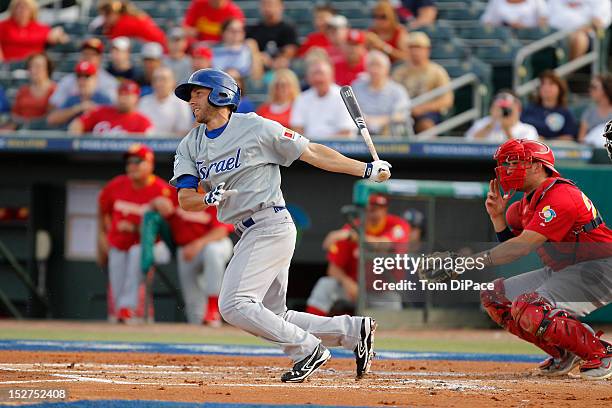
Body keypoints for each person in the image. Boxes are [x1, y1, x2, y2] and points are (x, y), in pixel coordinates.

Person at [171, 68, 391, 382]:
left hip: (270, 223)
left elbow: (311, 151)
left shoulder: (255, 127)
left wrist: (366, 170)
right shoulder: (190, 144)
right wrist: (207, 199)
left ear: (220, 94)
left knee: (233, 305)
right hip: (247, 231)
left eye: (197, 93)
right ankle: (353, 331)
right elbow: (185, 198)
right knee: (274, 316)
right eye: (190, 95)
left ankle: (307, 349)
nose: (191, 100)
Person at [460, 138, 612, 380]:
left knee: (530, 306)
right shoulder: (523, 206)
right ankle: (565, 352)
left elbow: (519, 249)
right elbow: (510, 245)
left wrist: (464, 263)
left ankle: (601, 352)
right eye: (506, 164)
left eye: (515, 163)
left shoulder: (561, 195)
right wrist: (498, 218)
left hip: (601, 269)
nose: (508, 170)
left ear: (537, 165)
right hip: (566, 270)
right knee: (494, 296)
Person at [98, 143, 174, 323]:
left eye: (137, 161)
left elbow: (170, 223)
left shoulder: (161, 189)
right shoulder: (116, 185)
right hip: (119, 242)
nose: (131, 166)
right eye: (129, 162)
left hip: (153, 245)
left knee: (136, 253)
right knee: (116, 282)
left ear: (150, 164)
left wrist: (136, 226)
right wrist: (102, 240)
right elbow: (102, 213)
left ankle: (128, 308)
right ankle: (123, 314)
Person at [306, 194, 410, 317]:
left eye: (377, 208)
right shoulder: (352, 228)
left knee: (393, 309)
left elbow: (383, 245)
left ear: (385, 209)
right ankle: (311, 326)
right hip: (354, 288)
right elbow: (332, 268)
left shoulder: (397, 225)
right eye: (369, 208)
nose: (373, 212)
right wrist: (347, 282)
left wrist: (352, 236)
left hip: (381, 291)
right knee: (326, 284)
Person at [168, 189, 234, 326]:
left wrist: (199, 243)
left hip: (215, 243)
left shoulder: (217, 193)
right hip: (186, 249)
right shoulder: (178, 194)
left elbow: (222, 230)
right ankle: (203, 331)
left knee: (212, 251)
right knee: (194, 307)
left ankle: (213, 308)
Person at [392, 32, 453, 133]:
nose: (415, 51)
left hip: (427, 112)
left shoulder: (437, 71)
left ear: (427, 50)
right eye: (412, 47)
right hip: (402, 110)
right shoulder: (399, 71)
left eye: (419, 47)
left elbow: (447, 100)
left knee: (426, 125)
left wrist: (423, 108)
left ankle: (430, 148)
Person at [290, 58, 355, 140]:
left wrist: (320, 145)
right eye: (314, 74)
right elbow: (297, 130)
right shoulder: (302, 98)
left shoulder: (343, 97)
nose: (318, 78)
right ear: (308, 78)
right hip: (309, 148)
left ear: (331, 75)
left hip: (338, 148)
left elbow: (346, 132)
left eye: (321, 73)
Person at [351, 50, 411, 136]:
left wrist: (379, 121)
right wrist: (366, 121)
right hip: (361, 130)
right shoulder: (357, 86)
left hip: (390, 133)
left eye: (379, 66)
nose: (375, 70)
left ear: (387, 69)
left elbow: (401, 115)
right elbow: (351, 110)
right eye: (371, 65)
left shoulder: (398, 90)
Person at [50, 38, 118, 108]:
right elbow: (54, 105)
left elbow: (114, 107)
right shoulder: (68, 80)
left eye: (93, 54)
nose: (88, 57)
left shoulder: (109, 82)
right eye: (85, 53)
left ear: (100, 58)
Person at [68, 80, 153, 136]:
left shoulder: (143, 121)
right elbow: (77, 124)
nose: (123, 98)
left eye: (127, 95)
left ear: (136, 98)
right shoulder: (101, 111)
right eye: (121, 94)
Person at [47, 61, 112, 129]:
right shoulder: (72, 100)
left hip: (96, 138)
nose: (82, 80)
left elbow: (115, 119)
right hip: (72, 138)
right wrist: (77, 108)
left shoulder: (104, 99)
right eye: (79, 76)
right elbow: (52, 120)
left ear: (95, 78)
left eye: (87, 76)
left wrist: (97, 111)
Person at [0, 0, 68, 62]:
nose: (21, 11)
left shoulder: (40, 28)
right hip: (9, 65)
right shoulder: (3, 26)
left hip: (33, 66)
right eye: (18, 7)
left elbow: (61, 39)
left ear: (32, 10)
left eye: (25, 8)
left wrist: (58, 34)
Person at [521, 71, 577, 141]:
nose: (546, 87)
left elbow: (569, 137)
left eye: (551, 84)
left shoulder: (565, 112)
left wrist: (545, 141)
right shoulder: (529, 109)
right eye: (543, 84)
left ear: (560, 88)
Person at [138, 67, 194, 136]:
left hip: (171, 144)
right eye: (155, 80)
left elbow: (183, 131)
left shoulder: (181, 103)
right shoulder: (144, 101)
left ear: (173, 82)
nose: (159, 83)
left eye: (163, 79)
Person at [466, 91, 539, 142]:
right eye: (500, 107)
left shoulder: (528, 130)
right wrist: (490, 124)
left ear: (518, 109)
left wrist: (507, 130)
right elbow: (467, 143)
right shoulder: (484, 123)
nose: (504, 111)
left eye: (507, 108)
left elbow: (523, 155)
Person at [246, 0, 298, 69]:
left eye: (271, 4)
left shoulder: (288, 29)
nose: (267, 8)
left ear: (281, 7)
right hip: (259, 67)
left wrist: (273, 62)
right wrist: (259, 57)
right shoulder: (253, 29)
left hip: (281, 69)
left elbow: (290, 51)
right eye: (264, 4)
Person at [10, 53, 56, 128]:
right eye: (30, 66)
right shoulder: (23, 91)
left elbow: (53, 117)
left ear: (47, 68)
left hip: (45, 132)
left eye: (38, 66)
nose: (33, 70)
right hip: (22, 132)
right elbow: (15, 115)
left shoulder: (55, 90)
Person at [97, 0, 167, 47]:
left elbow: (113, 42)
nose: (105, 20)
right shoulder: (128, 18)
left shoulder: (124, 23)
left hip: (160, 48)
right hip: (158, 44)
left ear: (114, 13)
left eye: (106, 15)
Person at [578, 74, 612, 144]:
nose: (590, 90)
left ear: (605, 89)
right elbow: (581, 139)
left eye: (594, 87)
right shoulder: (589, 112)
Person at [481, 0, 548, 29]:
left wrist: (524, 29)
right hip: (504, 40)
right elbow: (486, 22)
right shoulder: (496, 1)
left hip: (530, 40)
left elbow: (544, 19)